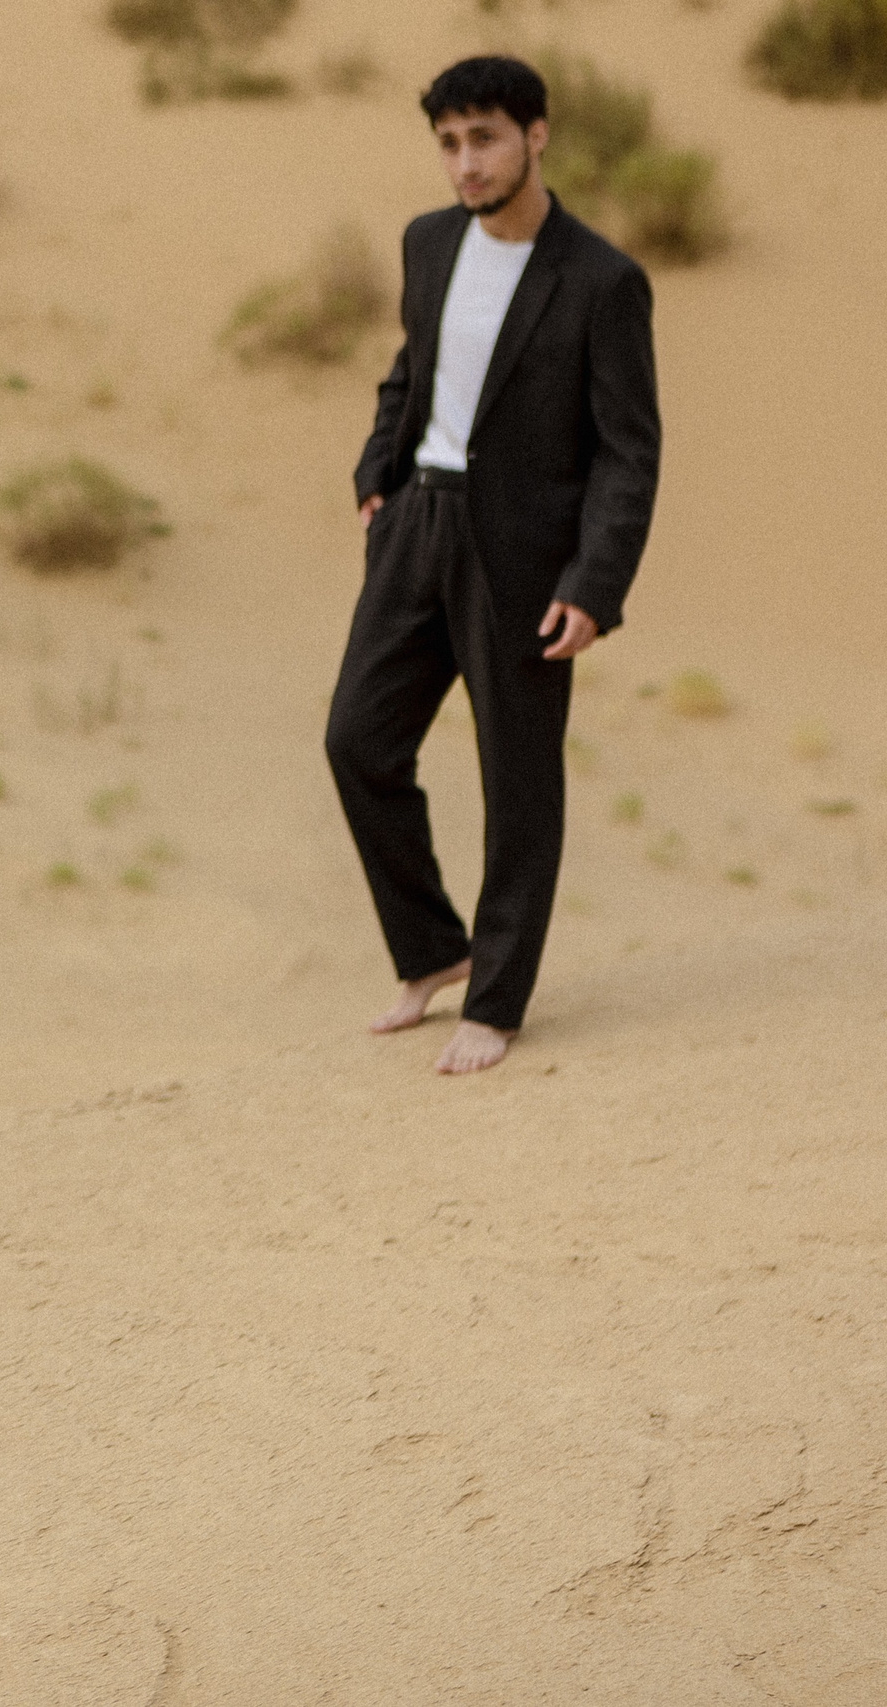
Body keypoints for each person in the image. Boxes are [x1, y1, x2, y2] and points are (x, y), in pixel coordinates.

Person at [327, 55, 661, 1075]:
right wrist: (377, 472)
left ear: (535, 136)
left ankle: (499, 996)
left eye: (483, 139)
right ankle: (432, 950)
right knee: (357, 741)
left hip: (522, 558)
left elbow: (627, 449)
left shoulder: (601, 280)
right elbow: (410, 370)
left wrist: (593, 584)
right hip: (414, 531)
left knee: (516, 780)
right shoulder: (427, 245)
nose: (463, 164)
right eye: (447, 143)